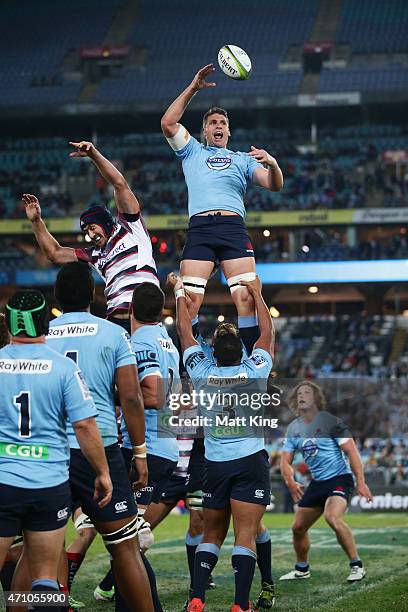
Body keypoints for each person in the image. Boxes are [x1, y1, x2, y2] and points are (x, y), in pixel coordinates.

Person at [46, 262, 154, 611]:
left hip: (49, 451)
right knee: (124, 546)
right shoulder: (113, 333)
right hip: (99, 448)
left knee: (44, 549)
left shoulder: (42, 334)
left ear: (57, 297)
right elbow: (132, 397)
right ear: (94, 295)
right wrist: (140, 453)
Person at [0, 289, 112, 609]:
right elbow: (86, 426)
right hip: (48, 485)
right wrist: (103, 472)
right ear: (46, 324)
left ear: (9, 325)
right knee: (46, 578)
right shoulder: (63, 368)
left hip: (3, 482)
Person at [170, 272, 274, 612]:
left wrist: (178, 294)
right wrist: (257, 295)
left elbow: (185, 334)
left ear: (213, 351)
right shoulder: (256, 370)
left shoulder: (201, 372)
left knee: (211, 535)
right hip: (250, 460)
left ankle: (197, 597)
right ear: (241, 352)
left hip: (215, 464)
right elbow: (267, 335)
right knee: (245, 535)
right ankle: (240, 604)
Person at [161, 64, 283, 328]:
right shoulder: (192, 151)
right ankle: (189, 362)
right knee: (189, 300)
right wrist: (193, 88)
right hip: (200, 229)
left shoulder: (243, 159)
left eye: (223, 123)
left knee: (247, 298)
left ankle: (252, 367)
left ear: (228, 132)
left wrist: (273, 163)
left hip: (232, 228)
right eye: (213, 123)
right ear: (204, 131)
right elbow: (168, 123)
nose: (218, 126)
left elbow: (274, 185)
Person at [23, 139, 159, 332]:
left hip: (147, 320)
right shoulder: (95, 254)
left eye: (92, 227)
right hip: (116, 326)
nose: (90, 233)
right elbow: (54, 253)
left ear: (104, 222)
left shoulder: (131, 227)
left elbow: (119, 184)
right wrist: (36, 221)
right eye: (86, 230)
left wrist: (94, 155)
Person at [280, 381, 373, 583]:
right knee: (297, 528)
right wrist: (291, 481)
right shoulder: (294, 429)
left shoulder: (331, 422)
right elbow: (284, 461)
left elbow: (352, 451)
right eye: (299, 394)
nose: (302, 396)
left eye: (307, 392)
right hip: (318, 482)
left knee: (332, 517)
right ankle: (302, 568)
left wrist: (361, 482)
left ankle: (357, 565)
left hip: (340, 478)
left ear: (316, 398)